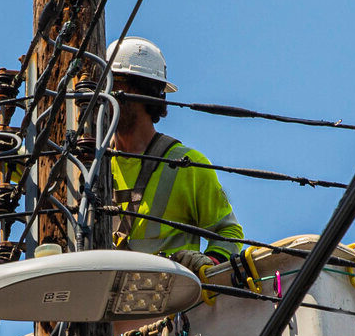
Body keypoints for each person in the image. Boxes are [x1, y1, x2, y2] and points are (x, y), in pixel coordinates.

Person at [104, 37, 249, 281]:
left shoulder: (187, 165)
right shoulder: (91, 164)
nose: (105, 96)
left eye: (114, 85)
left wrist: (211, 262)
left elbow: (229, 232)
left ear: (143, 92)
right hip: (103, 305)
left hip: (170, 304)